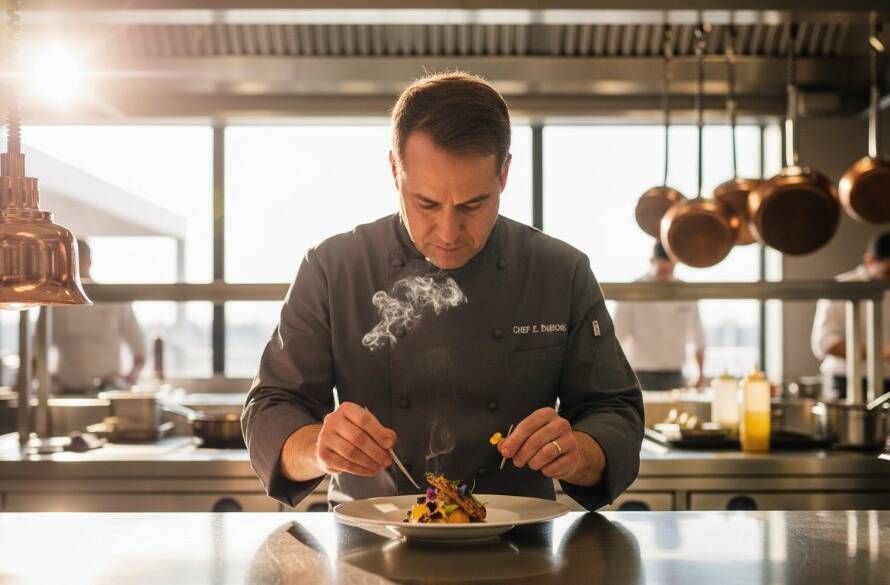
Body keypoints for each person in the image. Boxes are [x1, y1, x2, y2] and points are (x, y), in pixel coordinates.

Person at [242, 71, 643, 511]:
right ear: (395, 170)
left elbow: (615, 409)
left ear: (504, 174)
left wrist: (581, 452)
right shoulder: (332, 268)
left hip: (522, 546)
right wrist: (317, 447)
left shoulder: (560, 271)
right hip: (371, 544)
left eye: (474, 204)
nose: (449, 232)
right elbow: (272, 405)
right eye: (426, 204)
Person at [36, 239, 147, 394]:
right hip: (66, 392)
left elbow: (140, 349)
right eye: (71, 259)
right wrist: (48, 377)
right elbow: (37, 349)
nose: (77, 263)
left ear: (90, 260)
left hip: (109, 390)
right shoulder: (55, 303)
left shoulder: (114, 298)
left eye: (80, 257)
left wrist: (130, 378)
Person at [612, 242, 706, 391]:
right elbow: (615, 339)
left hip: (677, 377)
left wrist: (700, 374)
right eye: (662, 270)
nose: (665, 275)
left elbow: (698, 338)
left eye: (670, 269)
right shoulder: (632, 291)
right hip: (639, 376)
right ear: (652, 261)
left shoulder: (687, 292)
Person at [811, 231, 890, 401]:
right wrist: (878, 352)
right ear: (869, 260)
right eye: (887, 272)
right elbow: (825, 342)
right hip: (844, 383)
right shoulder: (842, 288)